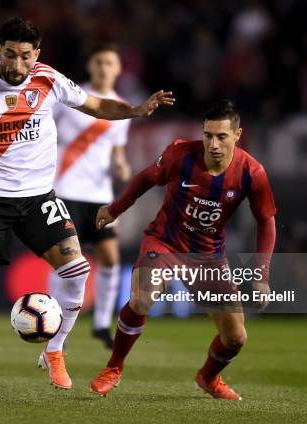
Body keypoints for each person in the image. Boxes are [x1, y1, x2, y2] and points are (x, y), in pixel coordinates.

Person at [0, 17, 174, 404]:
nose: (18, 65)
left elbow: (95, 105)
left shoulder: (49, 79)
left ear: (36, 54)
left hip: (40, 198)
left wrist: (136, 111)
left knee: (78, 272)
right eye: (10, 55)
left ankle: (54, 350)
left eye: (26, 56)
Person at [89, 100, 276, 400]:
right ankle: (114, 367)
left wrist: (262, 275)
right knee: (142, 297)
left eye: (222, 137)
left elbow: (266, 220)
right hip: (164, 242)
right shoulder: (181, 154)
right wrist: (114, 209)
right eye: (208, 135)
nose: (213, 144)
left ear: (238, 135)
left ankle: (209, 378)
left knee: (236, 338)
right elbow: (146, 178)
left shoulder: (251, 173)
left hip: (208, 257)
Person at [51, 43, 131, 349]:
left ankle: (100, 323)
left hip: (99, 195)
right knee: (66, 260)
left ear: (118, 69)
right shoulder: (71, 97)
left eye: (109, 62)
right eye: (98, 61)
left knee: (110, 258)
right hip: (66, 190)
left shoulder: (120, 107)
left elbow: (116, 150)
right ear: (90, 65)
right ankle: (54, 321)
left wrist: (121, 163)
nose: (103, 67)